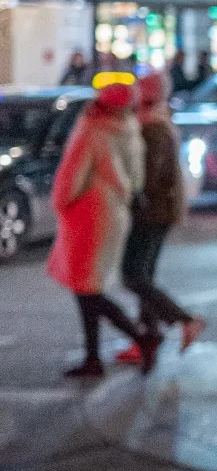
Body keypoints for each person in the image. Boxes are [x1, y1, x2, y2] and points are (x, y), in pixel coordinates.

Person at [48, 74, 156, 378]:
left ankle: (138, 338)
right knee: (88, 287)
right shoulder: (130, 130)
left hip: (88, 215)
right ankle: (95, 355)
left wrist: (59, 204)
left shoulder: (93, 130)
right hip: (115, 214)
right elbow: (136, 180)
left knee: (86, 290)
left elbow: (72, 176)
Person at [117, 70, 204, 361]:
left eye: (140, 88)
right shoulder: (156, 123)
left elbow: (149, 177)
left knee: (133, 275)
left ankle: (183, 319)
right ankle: (148, 338)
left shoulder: (153, 128)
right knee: (144, 276)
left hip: (152, 213)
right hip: (158, 211)